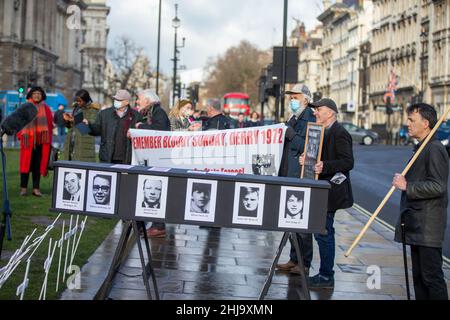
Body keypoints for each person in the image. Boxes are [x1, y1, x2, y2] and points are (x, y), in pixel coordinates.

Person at [392, 103, 448, 300]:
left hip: (427, 226)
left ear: (425, 123)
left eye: (411, 120)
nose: (407, 124)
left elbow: (438, 186)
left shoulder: (434, 149)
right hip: (418, 224)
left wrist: (407, 186)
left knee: (431, 278)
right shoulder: (422, 147)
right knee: (419, 279)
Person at [299, 98, 354, 288]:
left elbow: (348, 162)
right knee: (321, 232)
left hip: (331, 191)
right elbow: (317, 158)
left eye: (319, 110)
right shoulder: (321, 131)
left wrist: (325, 166)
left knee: (324, 233)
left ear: (330, 112)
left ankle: (326, 276)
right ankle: (324, 273)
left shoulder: (340, 133)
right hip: (320, 189)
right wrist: (306, 160)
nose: (315, 113)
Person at [276, 84, 316, 275]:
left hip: (299, 176)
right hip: (288, 174)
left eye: (295, 96)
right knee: (290, 221)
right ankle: (294, 258)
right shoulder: (294, 117)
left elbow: (308, 147)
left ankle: (304, 263)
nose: (291, 100)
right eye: (290, 96)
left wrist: (290, 134)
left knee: (301, 224)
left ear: (306, 99)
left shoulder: (309, 118)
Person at [134, 89, 170, 238]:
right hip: (153, 159)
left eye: (139, 99)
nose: (137, 102)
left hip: (159, 160)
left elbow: (159, 131)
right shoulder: (150, 113)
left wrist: (139, 128)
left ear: (147, 101)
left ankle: (159, 226)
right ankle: (155, 224)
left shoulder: (158, 112)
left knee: (156, 190)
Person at [88, 89, 141, 164]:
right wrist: (87, 125)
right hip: (107, 158)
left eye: (119, 100)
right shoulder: (104, 114)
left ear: (126, 102)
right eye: (115, 99)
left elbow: (140, 136)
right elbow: (96, 130)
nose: (116, 101)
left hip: (127, 159)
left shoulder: (136, 116)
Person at [17, 87, 53, 197]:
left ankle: (36, 189)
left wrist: (48, 139)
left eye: (39, 93)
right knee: (25, 165)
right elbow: (19, 123)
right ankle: (23, 188)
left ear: (42, 96)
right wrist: (21, 136)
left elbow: (50, 125)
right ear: (30, 95)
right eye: (34, 93)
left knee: (37, 166)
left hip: (41, 142)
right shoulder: (25, 107)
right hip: (28, 142)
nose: (37, 95)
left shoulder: (46, 109)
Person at [62, 89, 100, 162]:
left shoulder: (92, 110)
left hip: (84, 144)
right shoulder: (76, 108)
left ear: (85, 100)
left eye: (80, 101)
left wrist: (74, 120)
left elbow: (88, 128)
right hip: (72, 142)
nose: (78, 102)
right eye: (77, 100)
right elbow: (70, 127)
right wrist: (67, 120)